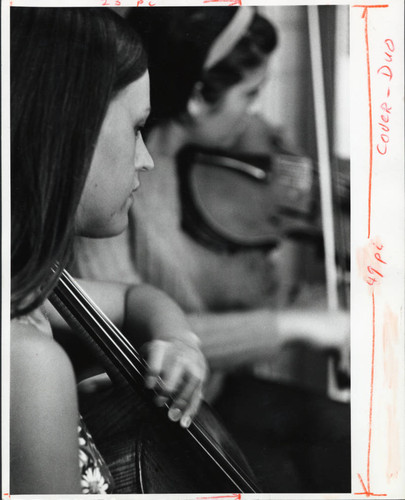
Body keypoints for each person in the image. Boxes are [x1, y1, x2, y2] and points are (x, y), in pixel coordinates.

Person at [73, 7, 351, 492]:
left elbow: (251, 276)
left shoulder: (234, 147)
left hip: (220, 387)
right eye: (249, 95)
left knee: (346, 434)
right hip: (169, 411)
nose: (257, 117)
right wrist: (296, 324)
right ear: (199, 95)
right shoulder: (114, 195)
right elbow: (118, 331)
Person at [10, 7, 209, 494]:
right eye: (136, 128)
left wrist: (180, 341)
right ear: (65, 133)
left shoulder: (30, 291)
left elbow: (135, 297)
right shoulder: (28, 365)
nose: (146, 160)